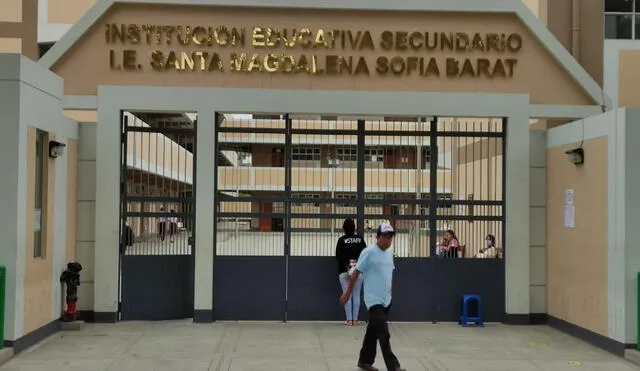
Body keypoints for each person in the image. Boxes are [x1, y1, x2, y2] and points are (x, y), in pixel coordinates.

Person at [340, 223, 406, 371]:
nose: (388, 240)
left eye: (390, 237)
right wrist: (347, 292)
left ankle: (364, 361)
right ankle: (394, 367)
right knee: (384, 333)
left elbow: (387, 274)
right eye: (385, 237)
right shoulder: (368, 252)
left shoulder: (389, 253)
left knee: (373, 332)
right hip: (373, 301)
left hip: (386, 300)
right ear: (377, 237)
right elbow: (356, 272)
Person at [335, 218, 367, 326]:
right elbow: (365, 256)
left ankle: (349, 320)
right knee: (356, 294)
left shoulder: (341, 240)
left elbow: (338, 257)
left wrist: (348, 265)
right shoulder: (360, 240)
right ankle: (355, 320)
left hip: (344, 271)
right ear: (354, 228)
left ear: (344, 228)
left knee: (346, 294)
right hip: (358, 271)